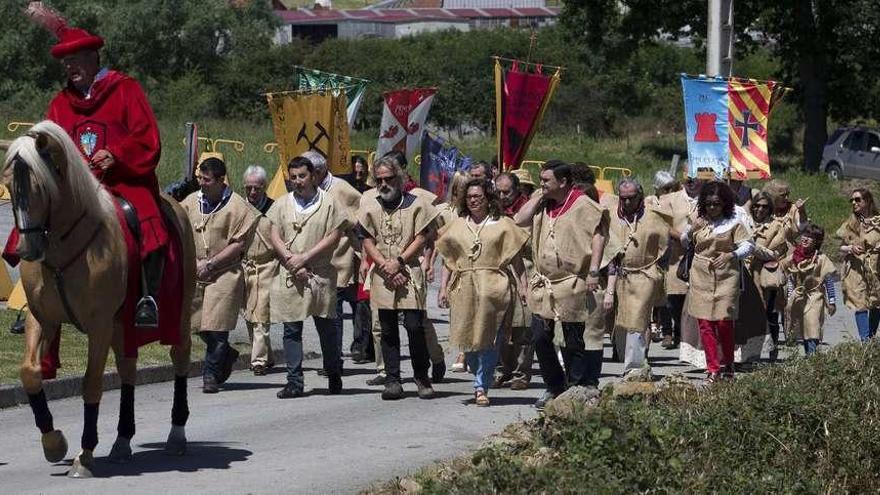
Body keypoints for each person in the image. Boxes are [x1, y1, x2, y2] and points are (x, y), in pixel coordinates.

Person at [25, 4, 166, 327]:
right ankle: (35, 298)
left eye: (75, 60)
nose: (70, 67)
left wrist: (116, 153)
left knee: (141, 215)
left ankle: (148, 297)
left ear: (93, 58)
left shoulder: (125, 89)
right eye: (66, 62)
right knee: (35, 220)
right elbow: (48, 141)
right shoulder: (60, 103)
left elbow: (146, 137)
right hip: (75, 186)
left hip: (121, 179)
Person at [515, 160, 609, 408]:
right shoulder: (542, 203)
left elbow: (599, 234)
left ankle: (575, 387)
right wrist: (538, 197)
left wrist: (593, 271)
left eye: (546, 180)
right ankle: (554, 386)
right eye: (541, 179)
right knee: (539, 337)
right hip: (543, 283)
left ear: (563, 182)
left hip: (571, 283)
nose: (542, 184)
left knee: (572, 340)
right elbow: (519, 219)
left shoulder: (582, 203)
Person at [436, 179, 529, 406]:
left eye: (478, 196)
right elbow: (448, 260)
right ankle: (477, 371)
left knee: (490, 339)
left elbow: (516, 260)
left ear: (488, 197)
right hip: (464, 285)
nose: (473, 200)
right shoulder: (458, 225)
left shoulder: (503, 224)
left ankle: (481, 386)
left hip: (494, 287)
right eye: (469, 197)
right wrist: (443, 288)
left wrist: (524, 286)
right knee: (467, 340)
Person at [357, 156, 439, 400]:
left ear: (399, 178)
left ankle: (422, 377)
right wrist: (384, 264)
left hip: (409, 270)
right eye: (379, 180)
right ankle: (393, 379)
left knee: (414, 326)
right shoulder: (370, 206)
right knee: (387, 328)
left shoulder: (416, 204)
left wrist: (400, 262)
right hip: (383, 272)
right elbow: (366, 237)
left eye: (388, 179)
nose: (383, 184)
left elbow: (423, 236)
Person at [268, 156, 346, 398]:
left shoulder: (329, 203)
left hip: (319, 274)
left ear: (312, 176)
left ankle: (333, 372)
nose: (298, 181)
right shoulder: (282, 204)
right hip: (291, 274)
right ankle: (294, 381)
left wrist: (306, 258)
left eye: (302, 176)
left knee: (326, 327)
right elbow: (274, 235)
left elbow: (333, 235)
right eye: (293, 177)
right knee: (291, 328)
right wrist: (292, 260)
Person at [181, 157, 257, 393]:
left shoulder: (237, 207)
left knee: (218, 325)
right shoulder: (191, 202)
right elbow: (182, 233)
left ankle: (210, 376)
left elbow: (238, 244)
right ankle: (228, 353)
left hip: (224, 273)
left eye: (207, 180)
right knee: (199, 325)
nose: (202, 184)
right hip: (196, 271)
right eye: (200, 179)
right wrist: (195, 262)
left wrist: (212, 263)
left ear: (220, 181)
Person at [681, 181, 754, 382]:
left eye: (717, 204)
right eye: (709, 204)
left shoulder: (733, 221)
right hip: (701, 275)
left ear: (724, 204)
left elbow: (748, 246)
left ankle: (727, 363)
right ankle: (712, 367)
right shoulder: (698, 221)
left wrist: (732, 255)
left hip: (726, 275)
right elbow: (684, 242)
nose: (712, 208)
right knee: (704, 323)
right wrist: (690, 230)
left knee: (723, 322)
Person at [604, 178, 672, 374]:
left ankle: (636, 367)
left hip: (645, 274)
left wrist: (657, 270)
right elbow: (609, 252)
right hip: (619, 275)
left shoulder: (654, 217)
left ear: (640, 196)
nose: (626, 203)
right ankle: (628, 360)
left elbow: (665, 246)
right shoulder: (612, 216)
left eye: (631, 198)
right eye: (622, 198)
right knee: (622, 321)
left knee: (639, 319)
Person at [304, 151, 363, 372]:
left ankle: (334, 360)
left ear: (318, 172)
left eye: (308, 173)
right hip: (317, 260)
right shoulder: (310, 190)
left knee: (335, 311)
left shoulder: (342, 189)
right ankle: (334, 358)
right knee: (325, 312)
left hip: (341, 258)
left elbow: (361, 217)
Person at [493, 172, 534, 390]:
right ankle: (502, 369)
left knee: (523, 327)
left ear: (517, 190)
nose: (502, 196)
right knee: (499, 325)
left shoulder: (530, 212)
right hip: (498, 273)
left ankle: (521, 373)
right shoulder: (493, 212)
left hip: (526, 270)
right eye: (498, 191)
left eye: (506, 192)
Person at [745, 192, 791, 361]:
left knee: (769, 314)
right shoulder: (744, 223)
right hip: (744, 273)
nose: (760, 209)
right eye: (757, 205)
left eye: (764, 206)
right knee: (748, 315)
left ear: (770, 208)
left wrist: (754, 249)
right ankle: (751, 352)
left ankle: (773, 346)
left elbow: (776, 252)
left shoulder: (776, 226)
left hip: (766, 275)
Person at [241, 165, 276, 375]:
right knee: (248, 315)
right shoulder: (238, 208)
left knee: (262, 314)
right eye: (249, 188)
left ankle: (258, 361)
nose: (253, 193)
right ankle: (268, 354)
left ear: (264, 187)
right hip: (245, 266)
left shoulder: (274, 208)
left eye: (257, 188)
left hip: (268, 266)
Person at [783, 224, 837, 355]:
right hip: (798, 296)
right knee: (802, 328)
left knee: (812, 325)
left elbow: (828, 280)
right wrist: (790, 296)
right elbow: (791, 278)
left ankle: (812, 356)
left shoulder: (821, 259)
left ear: (817, 242)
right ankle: (808, 355)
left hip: (815, 296)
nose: (805, 239)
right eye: (804, 235)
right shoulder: (793, 257)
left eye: (810, 237)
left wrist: (832, 301)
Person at [836, 188, 880, 341]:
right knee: (859, 301)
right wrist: (850, 247)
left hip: (875, 267)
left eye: (858, 199)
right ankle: (865, 340)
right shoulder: (851, 222)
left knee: (876, 301)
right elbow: (841, 246)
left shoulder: (878, 221)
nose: (854, 203)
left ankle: (871, 337)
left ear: (867, 201)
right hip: (856, 268)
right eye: (852, 200)